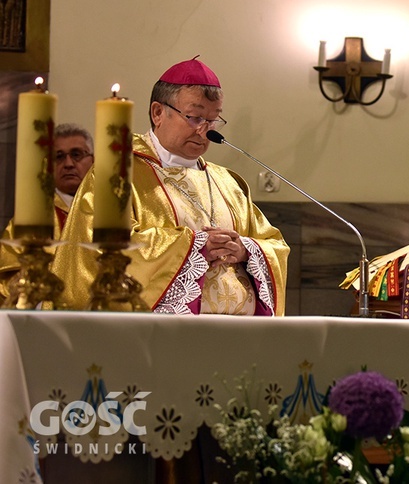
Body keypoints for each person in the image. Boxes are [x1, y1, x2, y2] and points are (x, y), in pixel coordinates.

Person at [52, 57, 289, 315]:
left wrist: (246, 249)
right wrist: (195, 246)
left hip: (240, 337)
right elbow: (100, 250)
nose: (205, 131)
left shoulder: (227, 183)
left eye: (213, 120)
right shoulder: (117, 174)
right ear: (158, 113)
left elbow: (274, 244)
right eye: (195, 117)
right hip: (160, 338)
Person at [0, 123, 94, 299]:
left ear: (94, 160)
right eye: (58, 157)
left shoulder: (113, 216)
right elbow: (5, 280)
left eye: (76, 155)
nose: (68, 164)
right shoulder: (29, 220)